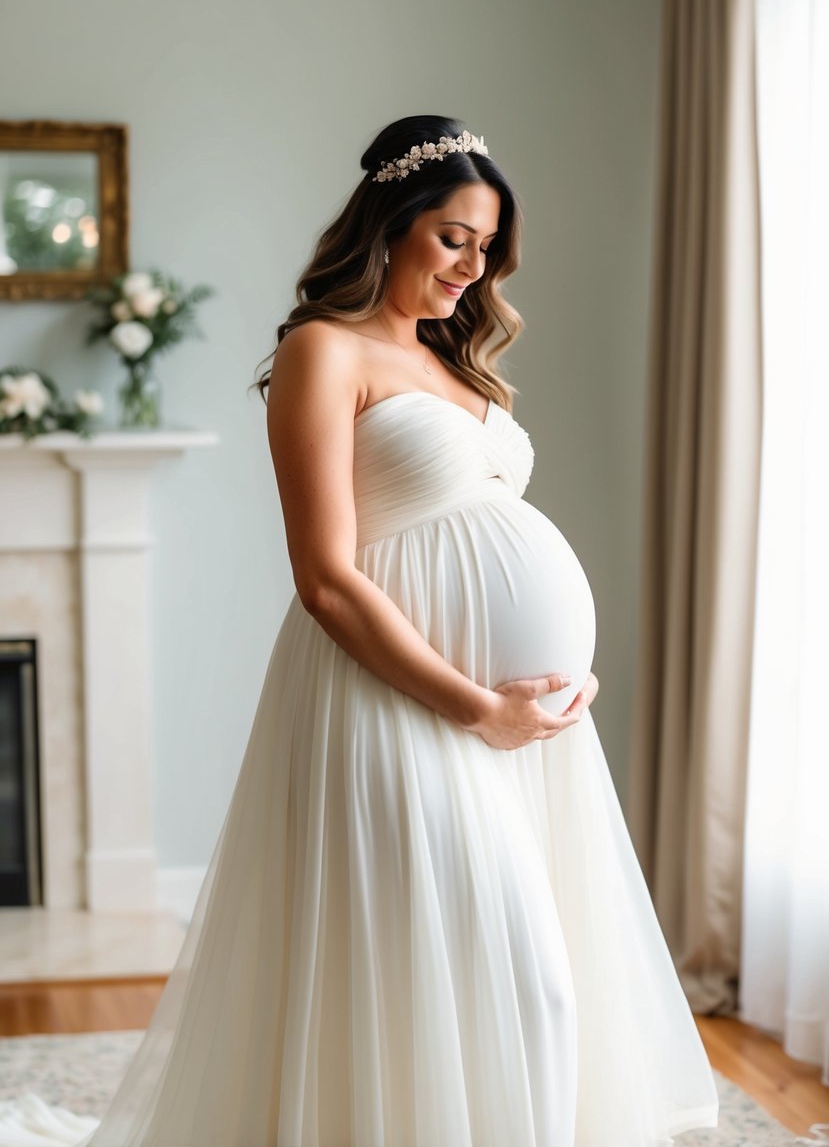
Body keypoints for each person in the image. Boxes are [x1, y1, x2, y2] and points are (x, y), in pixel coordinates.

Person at [0, 115, 719, 1146]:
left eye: (488, 246)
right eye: (452, 238)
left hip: (514, 726)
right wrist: (479, 705)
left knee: (476, 985)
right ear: (390, 224)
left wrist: (552, 683)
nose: (473, 266)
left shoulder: (457, 365)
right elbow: (325, 579)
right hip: (396, 705)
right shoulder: (321, 353)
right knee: (530, 986)